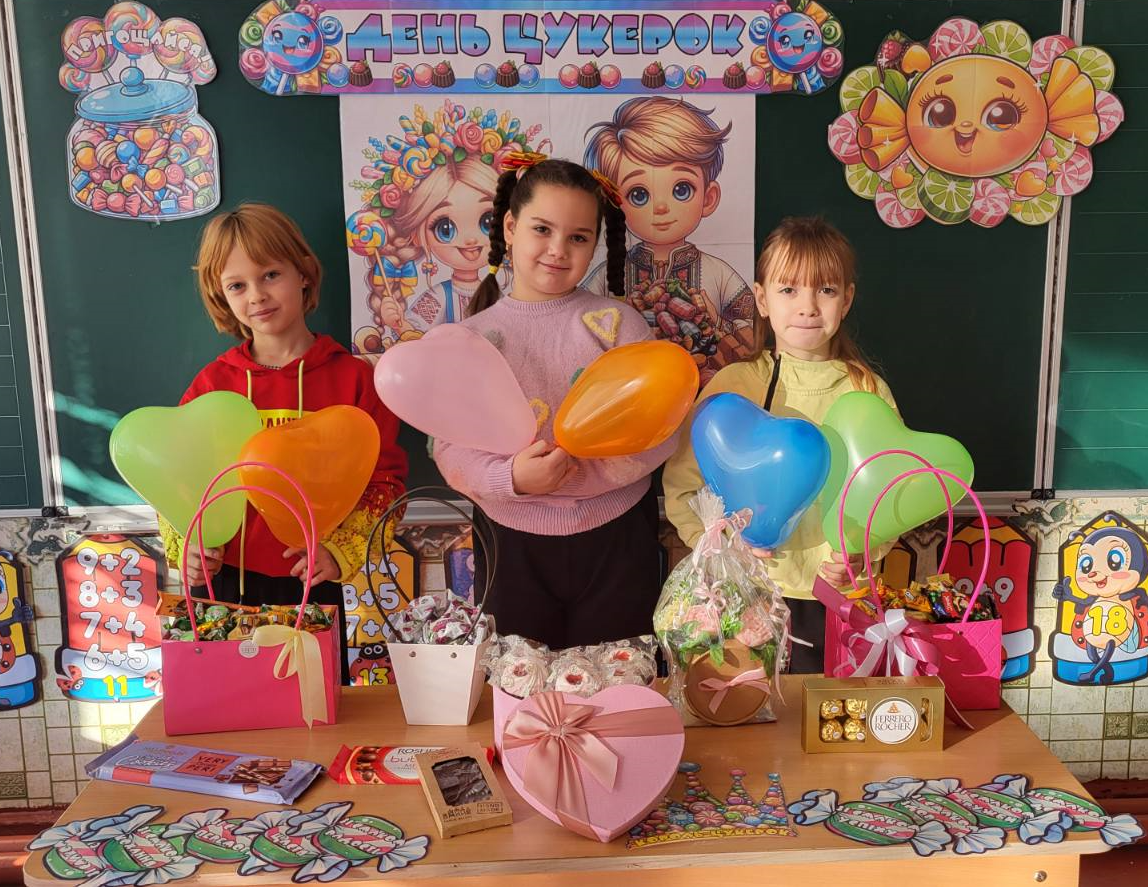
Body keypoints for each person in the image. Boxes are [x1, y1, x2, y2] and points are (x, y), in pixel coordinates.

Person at [433, 157, 679, 649]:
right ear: (510, 227)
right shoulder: (472, 339)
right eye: (542, 229)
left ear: (595, 243)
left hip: (617, 536)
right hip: (509, 538)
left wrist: (577, 475)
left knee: (620, 677)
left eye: (578, 237)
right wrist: (512, 479)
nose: (558, 250)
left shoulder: (619, 326)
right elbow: (449, 449)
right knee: (518, 681)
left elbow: (661, 428)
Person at [160, 203, 408, 682]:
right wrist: (183, 547)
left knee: (314, 708)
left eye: (270, 274)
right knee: (231, 712)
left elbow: (386, 482)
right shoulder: (212, 385)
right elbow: (176, 479)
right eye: (237, 285)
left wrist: (341, 552)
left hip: (313, 582)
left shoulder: (355, 381)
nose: (257, 295)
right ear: (220, 295)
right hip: (224, 588)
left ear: (304, 275)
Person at [663, 216, 898, 671]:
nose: (807, 307)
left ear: (847, 299)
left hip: (837, 599)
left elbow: (891, 493)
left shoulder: (867, 391)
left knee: (824, 709)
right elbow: (683, 487)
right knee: (749, 707)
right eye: (789, 289)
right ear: (761, 299)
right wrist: (723, 543)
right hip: (746, 594)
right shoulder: (735, 387)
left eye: (825, 290)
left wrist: (862, 555)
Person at [583, 96, 754, 383]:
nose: (661, 208)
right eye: (639, 194)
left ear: (709, 197)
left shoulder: (717, 273)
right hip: (628, 391)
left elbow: (755, 327)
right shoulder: (609, 275)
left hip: (704, 391)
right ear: (612, 206)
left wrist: (714, 323)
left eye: (681, 189)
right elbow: (576, 323)